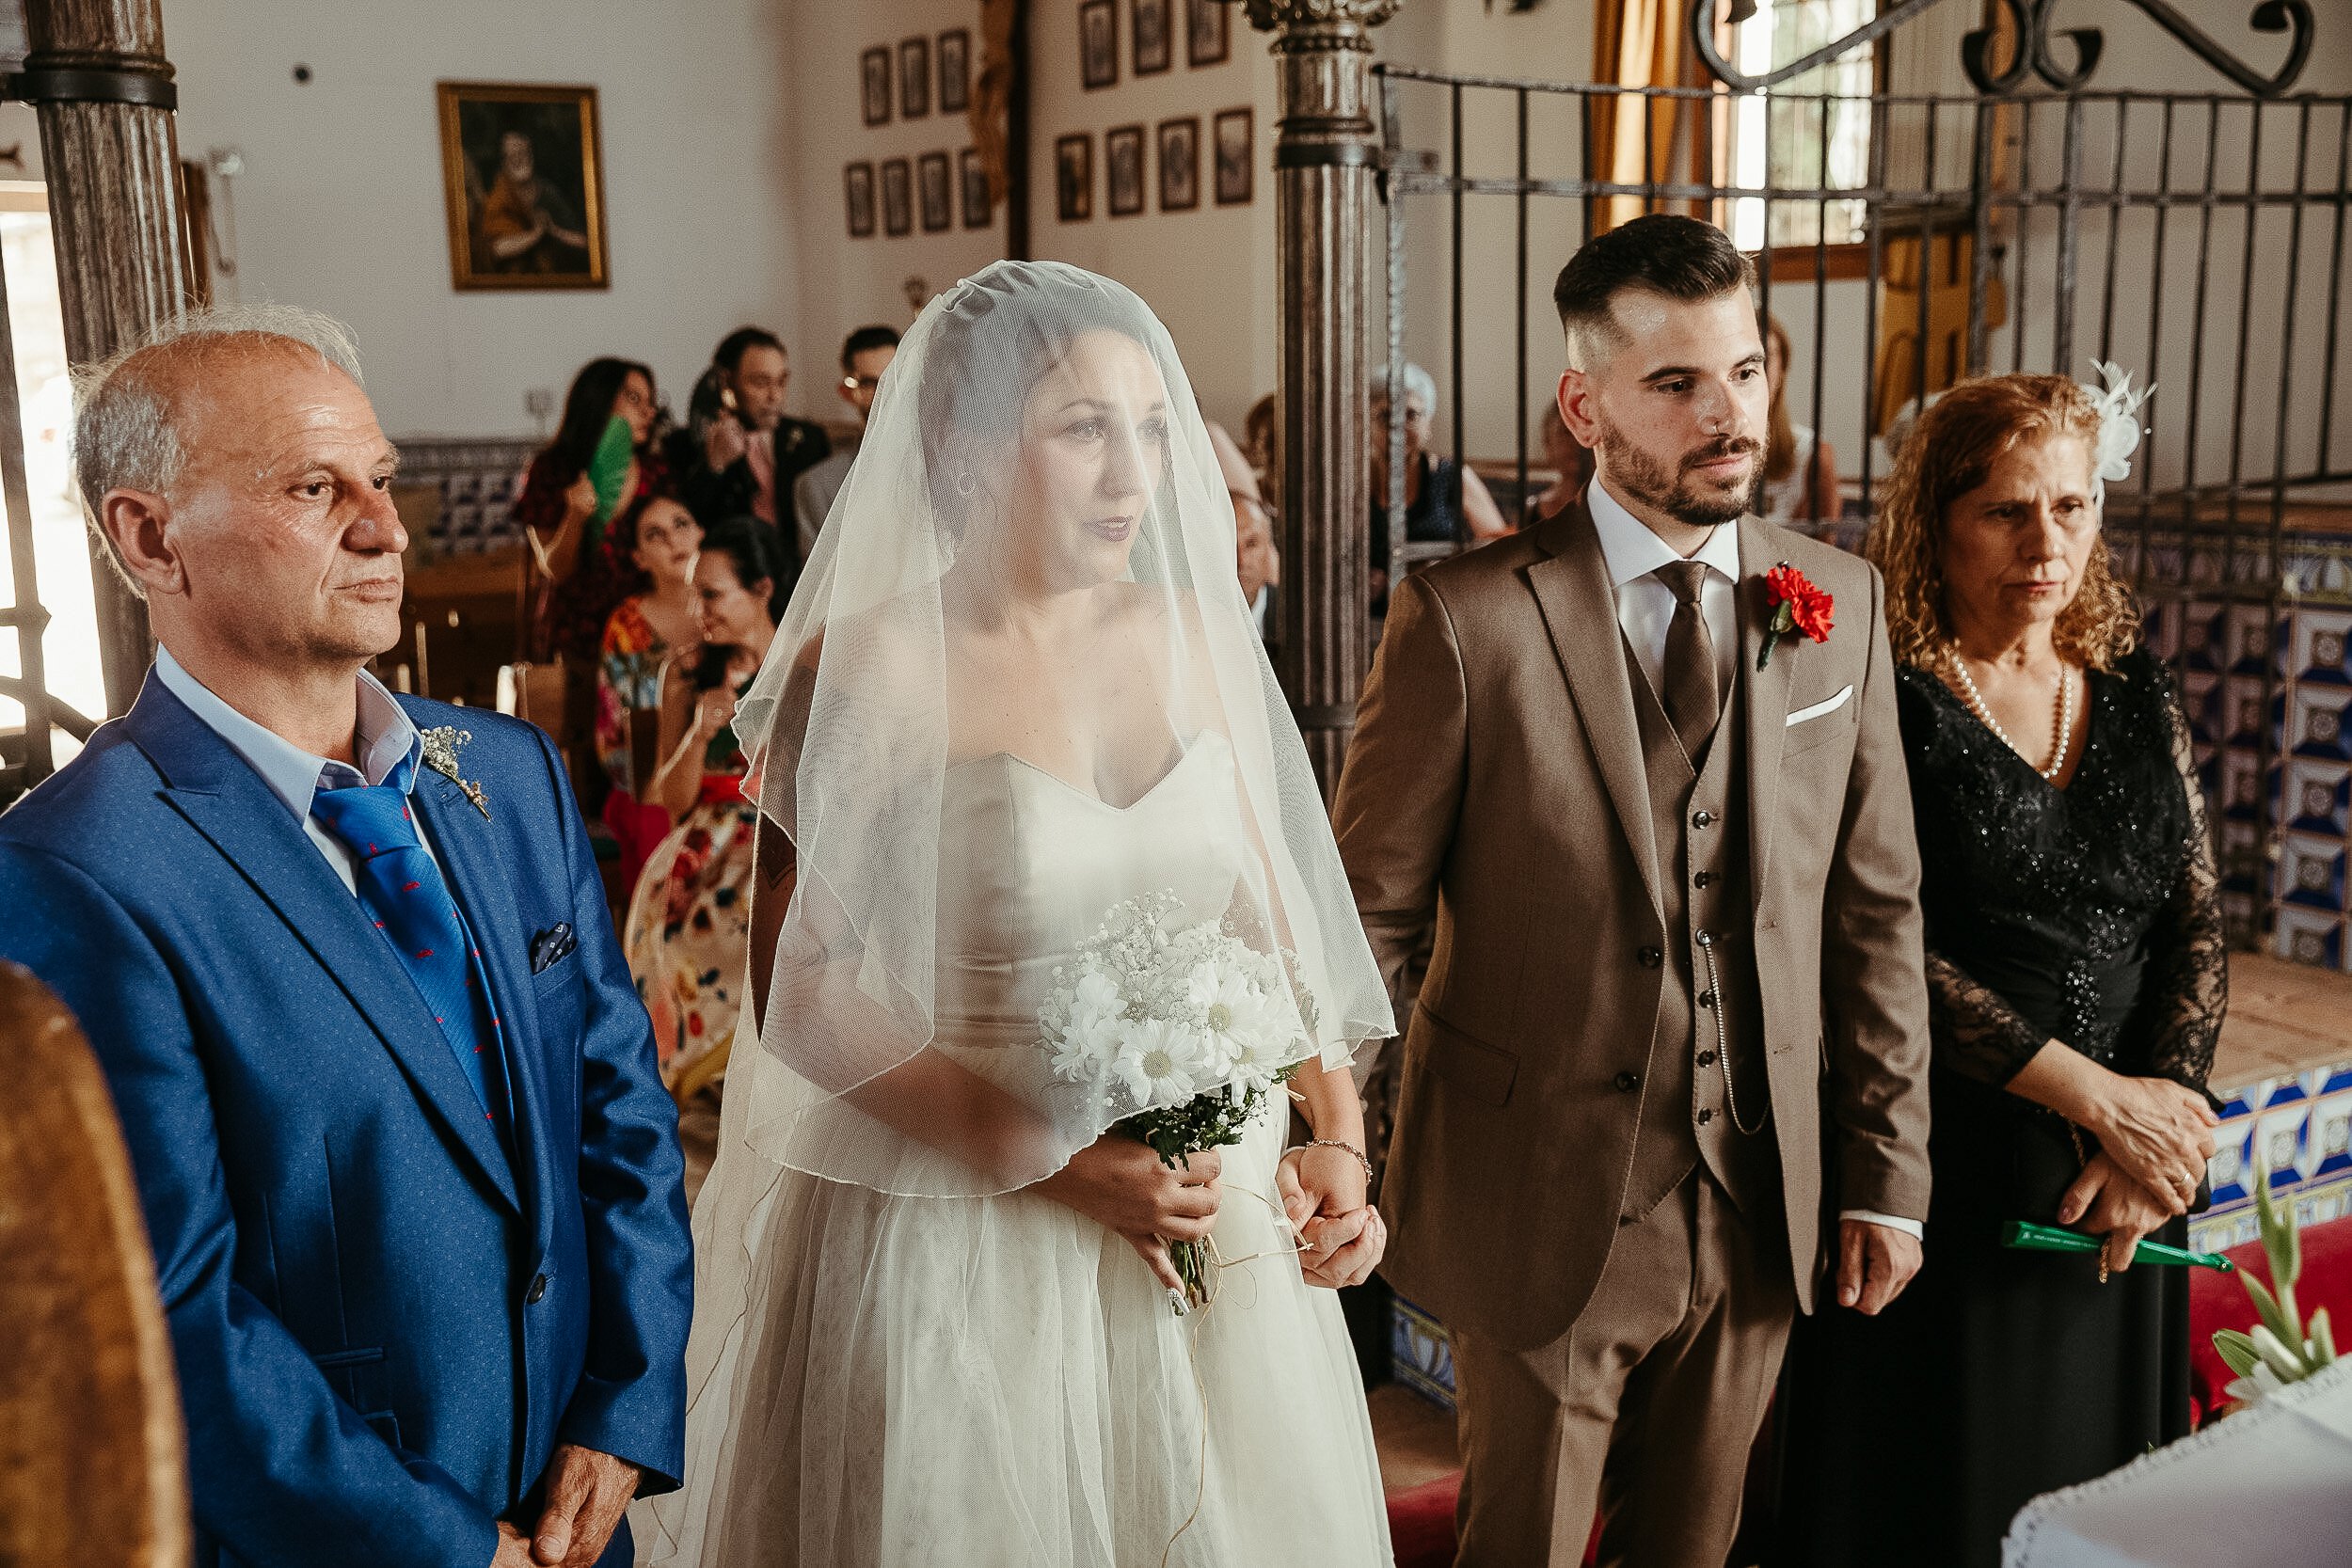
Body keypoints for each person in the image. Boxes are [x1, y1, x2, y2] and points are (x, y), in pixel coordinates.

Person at [635, 261, 1398, 1567]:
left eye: (1153, 428)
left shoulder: (1195, 638)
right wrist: (1050, 1157)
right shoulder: (866, 664)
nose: (1133, 473)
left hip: (1214, 1219)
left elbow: (1273, 913)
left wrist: (1336, 1128)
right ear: (965, 445)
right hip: (962, 1226)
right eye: (1084, 427)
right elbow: (804, 987)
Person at [0, 305, 692, 1568]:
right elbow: (171, 1314)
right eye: (314, 488)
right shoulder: (70, 870)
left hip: (577, 1509)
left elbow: (618, 1097)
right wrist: (439, 1543)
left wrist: (625, 1406)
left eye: (381, 479)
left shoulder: (508, 770)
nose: (385, 527)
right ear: (151, 537)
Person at [1334, 214, 1933, 1567]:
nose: (1728, 417)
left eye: (1746, 373)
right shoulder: (1466, 617)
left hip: (1765, 1193)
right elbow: (1366, 917)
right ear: (1583, 403)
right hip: (1539, 1200)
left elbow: (1876, 909)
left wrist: (1889, 1174)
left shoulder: (1836, 599)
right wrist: (1327, 1134)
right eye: (1676, 384)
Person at [1772, 373, 2225, 1568]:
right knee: (1948, 1493)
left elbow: (2195, 918)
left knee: (2096, 1496)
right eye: (2006, 511)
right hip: (1955, 1146)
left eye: (2072, 508)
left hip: (2123, 1174)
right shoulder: (1884, 694)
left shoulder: (2131, 686)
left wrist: (2162, 1123)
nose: (2046, 544)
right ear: (1935, 520)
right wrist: (2096, 1100)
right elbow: (1870, 941)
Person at [622, 516, 786, 1204]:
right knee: (680, 937)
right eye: (694, 595)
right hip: (699, 848)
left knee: (763, 914)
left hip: (776, 839)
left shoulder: (804, 664)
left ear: (763, 590)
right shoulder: (686, 674)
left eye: (713, 595)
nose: (699, 613)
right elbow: (667, 798)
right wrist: (699, 729)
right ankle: (700, 1098)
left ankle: (764, 1088)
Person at [514, 356, 670, 804]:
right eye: (634, 399)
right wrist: (577, 516)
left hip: (639, 634)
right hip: (575, 633)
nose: (647, 412)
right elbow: (554, 569)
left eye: (651, 402)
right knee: (579, 768)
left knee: (641, 754)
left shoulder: (657, 472)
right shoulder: (553, 471)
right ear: (599, 404)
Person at [596, 494, 704, 890]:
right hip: (650, 781)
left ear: (701, 533)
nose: (673, 540)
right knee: (652, 818)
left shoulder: (730, 603)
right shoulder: (627, 624)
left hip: (726, 772)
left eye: (681, 524)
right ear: (640, 558)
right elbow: (620, 742)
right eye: (654, 535)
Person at [1367, 360, 1508, 616]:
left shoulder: (1453, 476)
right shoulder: (1353, 484)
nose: (1397, 427)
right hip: (1363, 623)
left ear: (1428, 424)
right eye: (1385, 415)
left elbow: (1500, 547)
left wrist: (1442, 570)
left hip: (1437, 614)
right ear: (1367, 423)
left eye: (1410, 415)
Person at [676, 327, 830, 538]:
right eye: (760, 382)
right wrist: (715, 467)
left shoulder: (810, 438)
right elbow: (687, 525)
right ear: (727, 383)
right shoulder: (687, 443)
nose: (775, 395)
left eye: (781, 381)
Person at [791, 324, 901, 560]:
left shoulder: (949, 462)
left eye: (894, 376)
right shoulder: (819, 487)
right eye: (871, 384)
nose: (885, 392)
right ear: (847, 391)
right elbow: (820, 589)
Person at [1756, 314, 1843, 530]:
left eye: (1764, 358)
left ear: (1782, 367)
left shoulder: (1813, 455)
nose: (1753, 370)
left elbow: (1819, 552)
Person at [475, 129, 591, 275]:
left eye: (523, 152)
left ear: (532, 154)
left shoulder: (548, 193)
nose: (519, 159)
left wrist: (554, 230)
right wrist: (536, 234)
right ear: (503, 162)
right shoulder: (495, 199)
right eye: (511, 155)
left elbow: (584, 242)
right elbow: (494, 250)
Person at [1212, 419, 1279, 645]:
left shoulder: (1299, 617)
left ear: (1269, 548)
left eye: (1252, 544)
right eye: (1229, 543)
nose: (1241, 561)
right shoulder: (1191, 620)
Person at [1522, 399, 1596, 529]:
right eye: (1566, 432)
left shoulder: (1619, 507)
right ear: (1548, 443)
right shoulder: (1532, 511)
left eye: (1585, 430)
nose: (1577, 441)